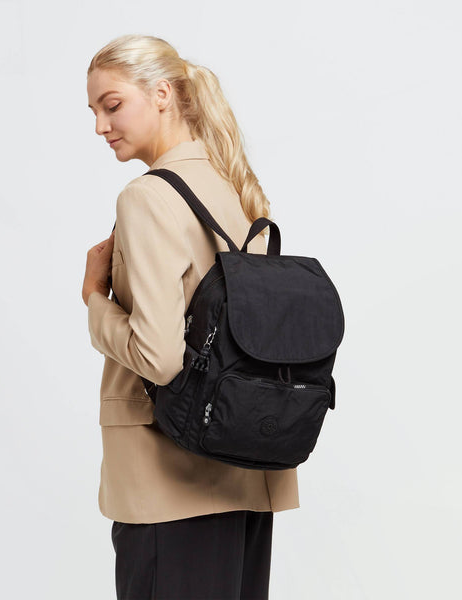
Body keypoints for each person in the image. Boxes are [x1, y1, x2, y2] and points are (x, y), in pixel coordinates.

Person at [83, 34, 300, 600]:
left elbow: (158, 358)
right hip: (248, 471)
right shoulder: (237, 187)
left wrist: (95, 300)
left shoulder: (148, 197)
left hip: (168, 481)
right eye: (94, 112)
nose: (101, 126)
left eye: (112, 105)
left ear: (161, 94)